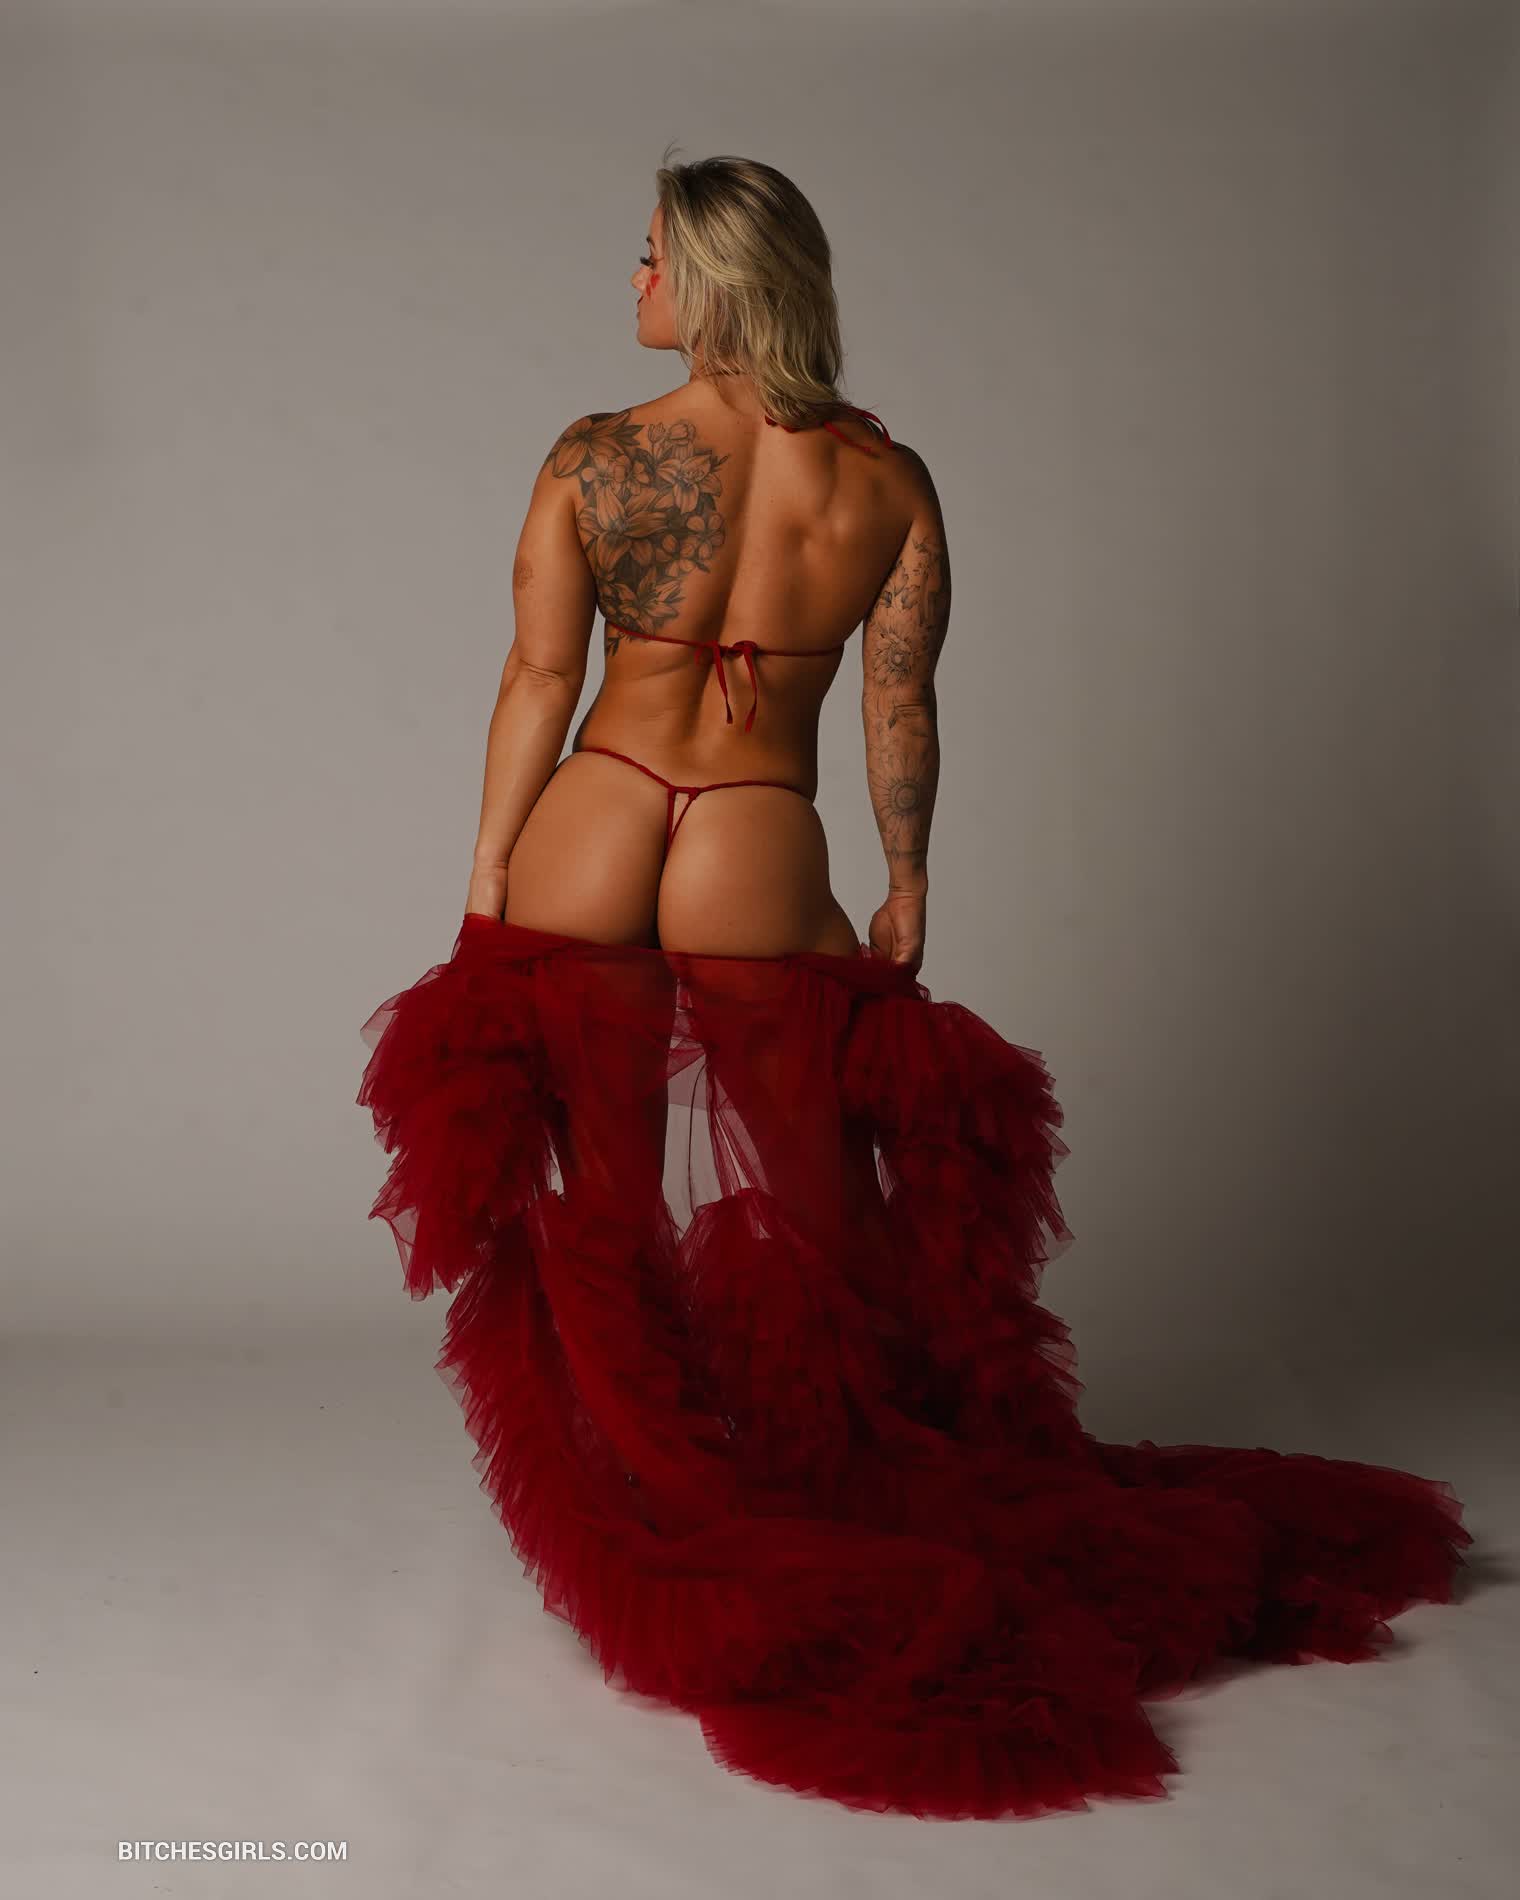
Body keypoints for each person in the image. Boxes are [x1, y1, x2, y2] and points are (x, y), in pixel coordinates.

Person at [357, 154, 1471, 1821]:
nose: (633, 278)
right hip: (751, 825)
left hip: (596, 808)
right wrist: (906, 875)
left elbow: (537, 673)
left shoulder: (595, 455)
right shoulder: (883, 481)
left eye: (652, 255)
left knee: (602, 1208)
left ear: (713, 280)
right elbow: (900, 707)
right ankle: (815, 1486)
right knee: (806, 1215)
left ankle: (670, 1517)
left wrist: (489, 867)